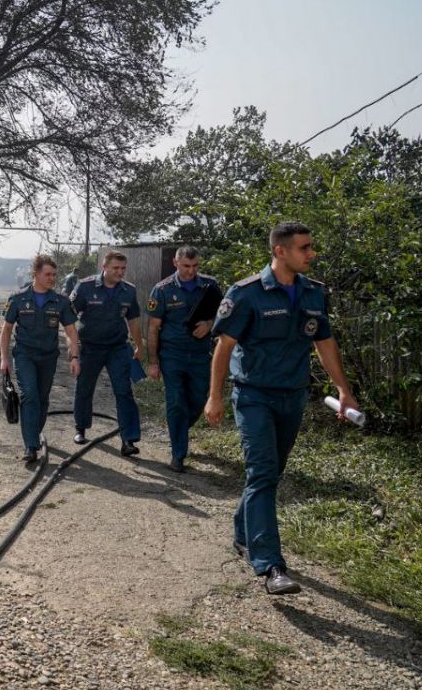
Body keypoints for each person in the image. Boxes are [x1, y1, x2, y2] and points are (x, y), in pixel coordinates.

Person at [205, 222, 359, 595]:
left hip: (292, 395)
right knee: (262, 472)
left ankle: (243, 531)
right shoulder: (246, 294)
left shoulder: (313, 293)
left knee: (270, 473)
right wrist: (215, 396)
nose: (311, 254)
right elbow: (224, 348)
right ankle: (270, 565)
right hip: (254, 394)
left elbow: (324, 343)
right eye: (304, 248)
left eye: (311, 247)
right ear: (280, 252)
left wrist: (343, 389)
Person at [147, 246, 221, 473]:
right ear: (176, 264)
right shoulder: (162, 290)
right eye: (186, 266)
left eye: (195, 266)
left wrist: (209, 325)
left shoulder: (210, 285)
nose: (191, 271)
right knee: (176, 401)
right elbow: (153, 328)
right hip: (172, 355)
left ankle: (178, 429)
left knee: (198, 400)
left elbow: (225, 314)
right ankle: (178, 454)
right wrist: (153, 361)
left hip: (200, 355)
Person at [0, 255, 81, 462]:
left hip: (48, 357)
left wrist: (74, 356)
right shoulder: (17, 299)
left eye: (54, 274)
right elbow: (6, 330)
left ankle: (34, 433)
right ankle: (31, 446)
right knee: (30, 396)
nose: (52, 278)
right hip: (25, 354)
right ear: (35, 274)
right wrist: (4, 358)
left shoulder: (61, 301)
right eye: (47, 274)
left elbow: (71, 331)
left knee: (43, 398)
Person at [70, 250, 143, 455]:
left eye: (123, 269)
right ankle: (81, 428)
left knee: (124, 391)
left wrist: (139, 345)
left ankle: (128, 440)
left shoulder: (129, 291)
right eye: (116, 268)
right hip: (90, 347)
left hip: (117, 347)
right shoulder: (85, 287)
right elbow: (69, 317)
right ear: (104, 267)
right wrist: (73, 347)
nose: (120, 272)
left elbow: (134, 320)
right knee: (84, 388)